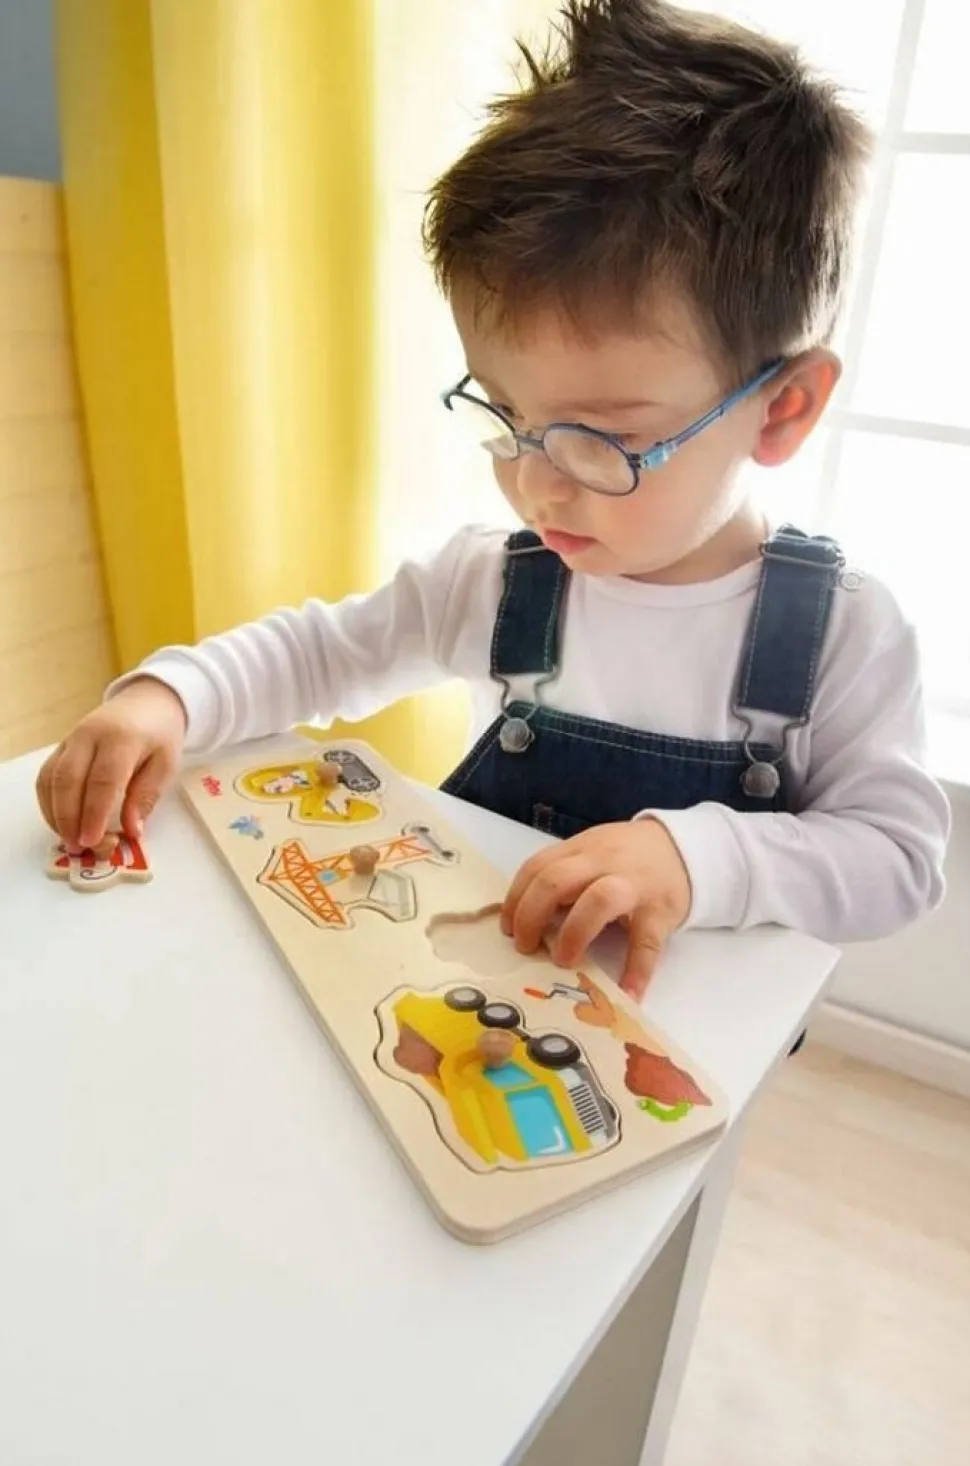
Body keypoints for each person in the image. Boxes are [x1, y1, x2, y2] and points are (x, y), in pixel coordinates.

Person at [36, 0, 950, 998]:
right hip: (491, 1000)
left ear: (780, 410)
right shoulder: (497, 578)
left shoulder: (840, 633)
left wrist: (697, 860)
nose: (535, 482)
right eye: (508, 413)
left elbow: (898, 859)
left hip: (697, 1035)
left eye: (604, 437)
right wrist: (170, 697)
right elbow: (319, 653)